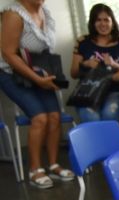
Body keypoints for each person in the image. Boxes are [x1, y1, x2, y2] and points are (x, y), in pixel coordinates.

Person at [0, 0, 75, 189]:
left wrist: (47, 74)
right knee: (40, 118)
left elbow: (43, 50)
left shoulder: (44, 12)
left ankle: (53, 165)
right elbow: (8, 53)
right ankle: (35, 170)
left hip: (37, 71)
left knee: (54, 116)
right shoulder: (13, 14)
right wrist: (36, 79)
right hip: (10, 73)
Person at [69, 3, 119, 123]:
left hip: (116, 92)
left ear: (113, 22)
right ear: (93, 22)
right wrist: (85, 64)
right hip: (89, 92)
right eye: (98, 20)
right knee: (92, 119)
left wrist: (114, 64)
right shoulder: (83, 42)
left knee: (109, 116)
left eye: (106, 20)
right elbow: (73, 74)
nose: (103, 24)